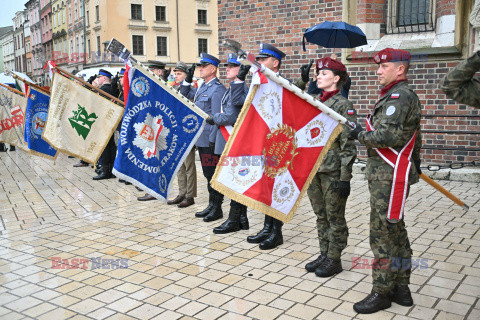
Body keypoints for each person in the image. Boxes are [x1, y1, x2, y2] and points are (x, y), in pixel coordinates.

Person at [349, 48, 422, 314]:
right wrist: (417, 163)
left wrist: (358, 134)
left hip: (388, 177)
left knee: (381, 235)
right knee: (396, 232)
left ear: (399, 69)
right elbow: (415, 134)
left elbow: (386, 137)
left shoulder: (398, 97)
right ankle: (402, 288)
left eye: (384, 66)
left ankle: (382, 291)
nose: (378, 71)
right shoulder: (398, 96)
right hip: (390, 175)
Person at [246, 43, 303, 250]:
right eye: (258, 59)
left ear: (275, 63)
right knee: (266, 184)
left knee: (277, 184)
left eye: (263, 60)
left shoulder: (282, 83)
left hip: (279, 143)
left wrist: (304, 81)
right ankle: (267, 226)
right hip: (264, 142)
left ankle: (276, 231)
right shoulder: (261, 82)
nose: (259, 63)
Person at [304, 57, 357, 278]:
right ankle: (324, 253)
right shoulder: (314, 100)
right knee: (320, 215)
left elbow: (348, 145)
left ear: (336, 79)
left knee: (335, 216)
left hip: (333, 171)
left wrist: (345, 177)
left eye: (324, 73)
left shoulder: (343, 106)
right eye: (318, 73)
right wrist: (301, 79)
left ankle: (334, 258)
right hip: (313, 168)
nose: (318, 76)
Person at [204, 53, 250, 234]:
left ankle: (234, 220)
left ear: (241, 70)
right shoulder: (231, 88)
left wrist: (213, 118)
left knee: (234, 180)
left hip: (233, 140)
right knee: (232, 179)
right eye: (227, 66)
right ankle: (241, 219)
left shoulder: (239, 88)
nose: (227, 69)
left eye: (232, 66)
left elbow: (231, 116)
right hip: (226, 138)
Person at [180, 53, 227, 221]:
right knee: (208, 174)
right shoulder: (203, 86)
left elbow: (216, 118)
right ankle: (211, 205)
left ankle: (217, 208)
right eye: (200, 66)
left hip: (210, 140)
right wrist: (187, 79)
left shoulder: (217, 89)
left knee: (213, 174)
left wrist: (214, 144)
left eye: (203, 66)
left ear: (213, 69)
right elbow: (184, 95)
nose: (200, 68)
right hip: (202, 138)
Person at [166, 61, 197, 208]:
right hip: (176, 131)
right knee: (179, 165)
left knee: (189, 165)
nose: (176, 76)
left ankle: (190, 195)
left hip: (186, 132)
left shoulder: (190, 90)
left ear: (186, 75)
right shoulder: (175, 88)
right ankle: (181, 193)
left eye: (179, 74)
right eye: (175, 73)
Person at [93, 69, 118, 180]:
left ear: (104, 78)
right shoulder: (110, 89)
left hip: (104, 121)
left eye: (99, 77)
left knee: (105, 147)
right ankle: (110, 169)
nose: (98, 79)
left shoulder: (105, 90)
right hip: (109, 121)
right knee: (110, 146)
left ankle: (105, 171)